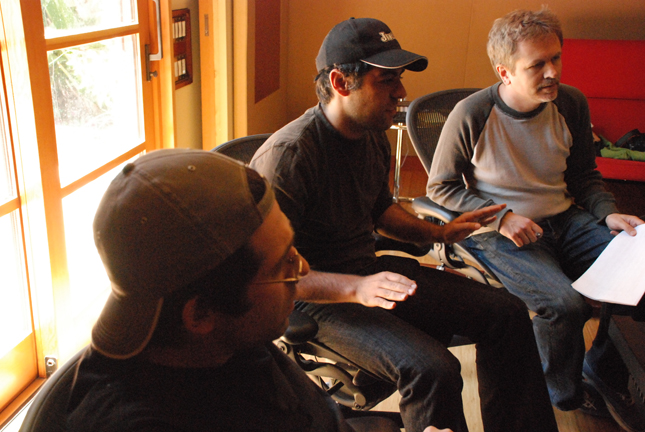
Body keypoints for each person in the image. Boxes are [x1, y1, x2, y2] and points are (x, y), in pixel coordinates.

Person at [250, 17, 557, 432]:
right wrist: (355, 288)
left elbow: (381, 211)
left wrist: (440, 233)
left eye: (399, 78)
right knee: (432, 369)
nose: (401, 92)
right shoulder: (290, 157)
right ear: (341, 83)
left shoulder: (370, 132)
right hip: (311, 297)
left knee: (507, 312)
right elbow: (269, 276)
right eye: (386, 80)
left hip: (369, 273)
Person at [66, 149, 449, 432]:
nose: (302, 269)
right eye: (282, 264)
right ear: (200, 314)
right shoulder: (140, 421)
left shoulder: (230, 342)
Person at [426, 7, 645, 432]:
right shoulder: (471, 114)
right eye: (537, 64)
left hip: (565, 218)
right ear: (505, 72)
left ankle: (602, 364)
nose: (552, 72)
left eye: (556, 58)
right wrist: (503, 217)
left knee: (638, 273)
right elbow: (441, 188)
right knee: (564, 305)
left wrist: (608, 212)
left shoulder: (572, 103)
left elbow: (584, 176)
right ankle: (560, 393)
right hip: (497, 232)